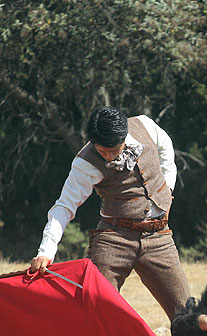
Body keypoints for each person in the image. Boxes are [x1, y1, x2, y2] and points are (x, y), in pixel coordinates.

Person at [29, 106, 191, 321]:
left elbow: (166, 146)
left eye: (113, 150)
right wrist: (46, 251)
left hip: (158, 236)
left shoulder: (145, 126)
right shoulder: (84, 163)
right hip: (113, 238)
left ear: (124, 137)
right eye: (101, 151)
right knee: (95, 311)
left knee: (188, 315)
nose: (107, 156)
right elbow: (65, 205)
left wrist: (167, 188)